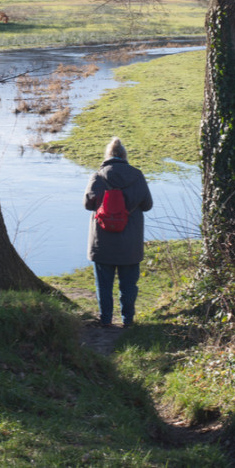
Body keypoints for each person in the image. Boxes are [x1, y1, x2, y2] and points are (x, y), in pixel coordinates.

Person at [84, 137, 152, 328]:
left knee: (103, 286)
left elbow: (87, 204)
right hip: (130, 243)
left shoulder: (97, 176)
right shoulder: (137, 176)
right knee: (128, 285)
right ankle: (127, 320)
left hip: (102, 242)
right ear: (124, 156)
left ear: (107, 156)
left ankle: (105, 320)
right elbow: (147, 205)